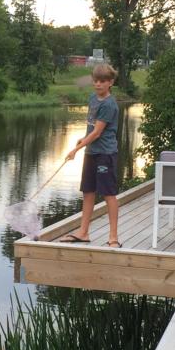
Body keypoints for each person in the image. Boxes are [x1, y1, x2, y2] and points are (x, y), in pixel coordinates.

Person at [60, 63, 122, 248]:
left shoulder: (110, 105)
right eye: (96, 81)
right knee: (88, 192)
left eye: (102, 81)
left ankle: (113, 237)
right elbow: (91, 129)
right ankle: (83, 232)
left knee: (109, 194)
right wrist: (82, 140)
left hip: (106, 154)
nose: (98, 84)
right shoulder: (92, 99)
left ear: (110, 82)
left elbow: (97, 133)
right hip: (91, 152)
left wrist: (75, 150)